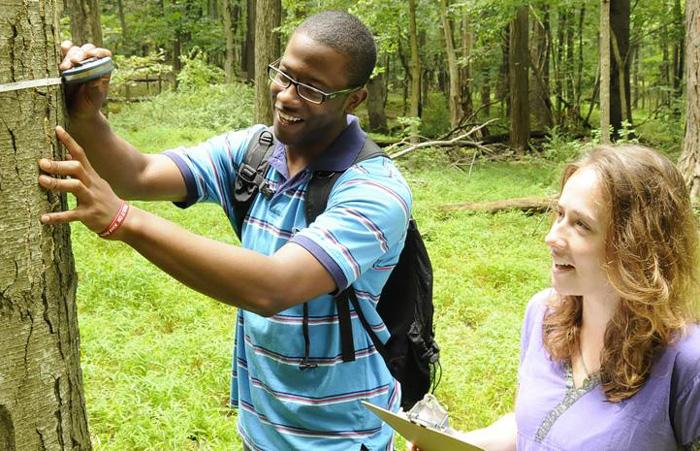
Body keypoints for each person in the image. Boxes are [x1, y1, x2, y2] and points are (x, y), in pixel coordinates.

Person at [40, 11, 410, 451]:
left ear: (353, 100)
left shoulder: (376, 192)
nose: (287, 97)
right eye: (284, 75)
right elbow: (137, 174)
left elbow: (273, 287)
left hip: (342, 439)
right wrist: (88, 112)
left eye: (312, 89)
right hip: (261, 430)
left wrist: (124, 220)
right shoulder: (254, 152)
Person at [412, 145, 700, 451]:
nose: (552, 236)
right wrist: (458, 443)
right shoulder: (543, 314)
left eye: (581, 224)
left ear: (636, 247)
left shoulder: (686, 361)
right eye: (560, 214)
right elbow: (530, 426)